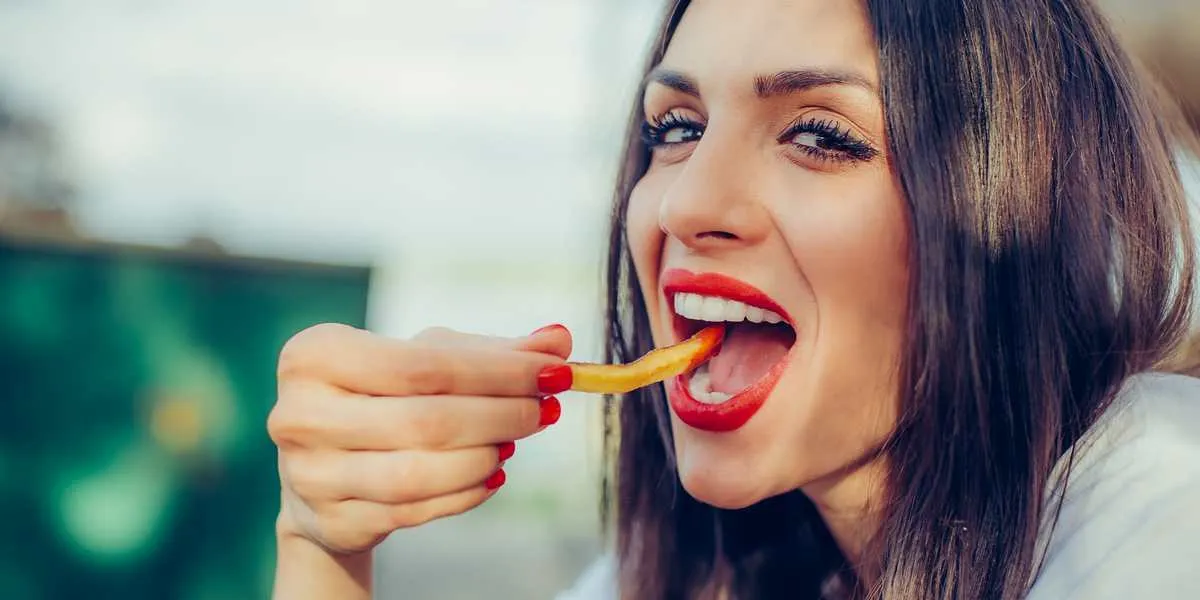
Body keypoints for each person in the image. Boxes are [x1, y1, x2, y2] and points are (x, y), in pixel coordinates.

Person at [267, 0, 1200, 598]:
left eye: (822, 137)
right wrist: (321, 547)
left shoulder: (1169, 509)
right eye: (675, 128)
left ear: (1022, 206)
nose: (687, 202)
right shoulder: (706, 567)